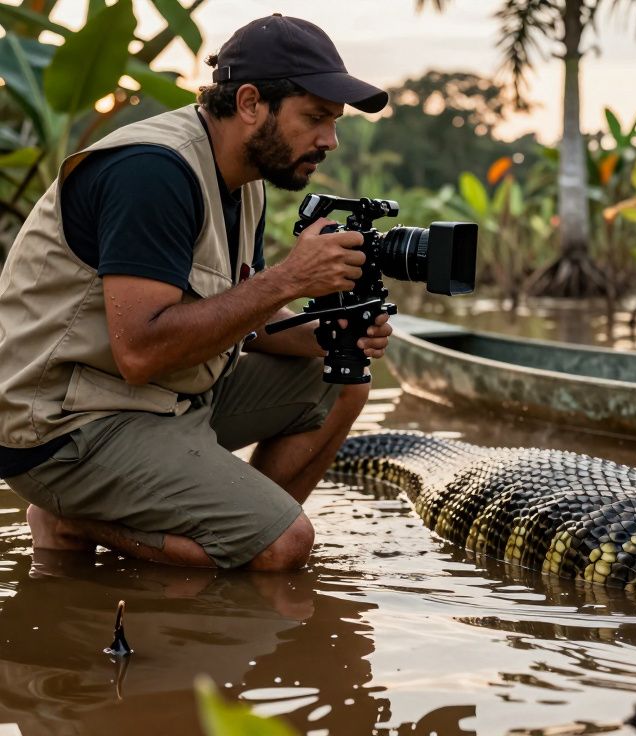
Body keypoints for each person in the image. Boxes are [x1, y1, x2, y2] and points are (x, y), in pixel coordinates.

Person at [0, 15, 393, 570]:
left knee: (342, 380)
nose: (329, 139)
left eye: (334, 122)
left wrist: (329, 335)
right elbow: (139, 352)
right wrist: (290, 277)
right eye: (316, 118)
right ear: (251, 103)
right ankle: (74, 517)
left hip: (163, 399)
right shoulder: (152, 172)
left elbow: (239, 316)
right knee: (286, 547)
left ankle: (233, 527)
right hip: (68, 425)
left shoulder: (245, 178)